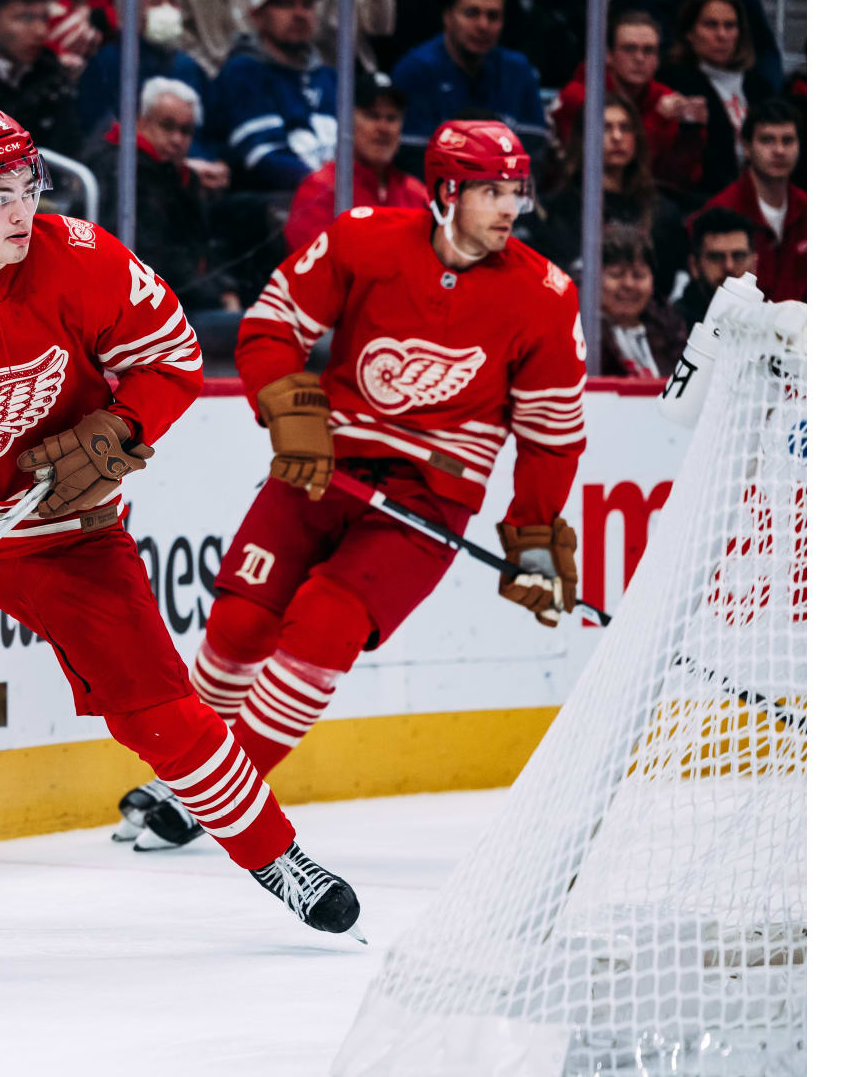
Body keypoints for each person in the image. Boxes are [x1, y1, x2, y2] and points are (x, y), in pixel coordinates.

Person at [0, 105, 362, 953]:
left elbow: (171, 357)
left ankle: (280, 859)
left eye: (29, 186)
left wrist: (121, 428)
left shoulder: (85, 257)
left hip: (70, 532)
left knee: (161, 713)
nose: (23, 209)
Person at [111, 120, 586, 851]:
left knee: (324, 625)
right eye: (491, 191)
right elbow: (272, 326)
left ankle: (218, 798)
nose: (508, 208)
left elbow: (551, 435)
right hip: (323, 466)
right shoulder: (364, 238)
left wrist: (534, 533)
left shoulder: (544, 296)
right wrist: (293, 412)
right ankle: (186, 772)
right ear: (446, 191)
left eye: (515, 192)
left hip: (429, 499)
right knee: (238, 625)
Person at [87, 78, 240, 315]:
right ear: (141, 122)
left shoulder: (181, 176)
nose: (177, 139)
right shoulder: (123, 172)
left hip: (185, 297)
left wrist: (226, 288)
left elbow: (202, 248)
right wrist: (217, 295)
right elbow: (152, 257)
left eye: (186, 131)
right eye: (167, 126)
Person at [519, 92, 687, 286]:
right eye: (605, 128)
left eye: (625, 128)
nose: (617, 137)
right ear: (583, 138)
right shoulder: (557, 210)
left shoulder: (662, 212)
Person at [551, 9, 706, 200]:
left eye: (648, 50)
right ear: (608, 55)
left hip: (645, 200)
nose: (639, 58)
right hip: (580, 199)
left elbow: (676, 178)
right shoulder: (578, 97)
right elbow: (587, 166)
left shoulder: (665, 98)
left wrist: (691, 133)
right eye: (629, 49)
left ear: (658, 59)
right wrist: (657, 121)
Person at [390, 0, 547, 167]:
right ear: (447, 16)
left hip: (505, 181)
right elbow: (411, 161)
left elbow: (533, 155)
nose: (483, 25)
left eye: (493, 16)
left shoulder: (519, 71)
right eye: (472, 13)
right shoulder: (415, 72)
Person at [284, 70, 427, 251]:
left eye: (391, 118)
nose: (383, 128)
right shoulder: (321, 188)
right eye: (372, 116)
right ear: (346, 122)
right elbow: (311, 263)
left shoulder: (415, 192)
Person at [208, 0, 339, 192]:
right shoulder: (244, 71)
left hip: (332, 195)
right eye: (285, 4)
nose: (299, 14)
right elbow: (264, 157)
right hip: (277, 200)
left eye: (307, 5)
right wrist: (331, 187)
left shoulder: (329, 76)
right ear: (258, 16)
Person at [655, 0, 774, 206]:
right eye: (711, 25)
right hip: (701, 202)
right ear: (689, 33)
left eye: (730, 26)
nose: (722, 35)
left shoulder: (760, 88)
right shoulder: (673, 82)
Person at [691, 98, 803, 302]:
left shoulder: (807, 208)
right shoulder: (719, 210)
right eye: (767, 140)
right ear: (746, 146)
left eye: (787, 140)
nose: (779, 150)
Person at [0, 0, 86, 159]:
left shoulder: (52, 77)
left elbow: (70, 152)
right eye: (26, 18)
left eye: (44, 18)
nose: (40, 31)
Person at [76, 0, 210, 142]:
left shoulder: (188, 67)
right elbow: (98, 129)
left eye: (172, 2)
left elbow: (203, 134)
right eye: (156, 3)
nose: (166, 10)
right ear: (134, 11)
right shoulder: (108, 62)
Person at [597, 224, 687, 379]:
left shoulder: (671, 329)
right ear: (593, 278)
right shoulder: (581, 334)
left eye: (638, 275)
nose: (628, 284)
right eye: (616, 274)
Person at [672, 205, 755, 325]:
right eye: (716, 257)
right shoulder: (672, 325)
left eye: (738, 256)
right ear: (694, 265)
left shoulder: (768, 321)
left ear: (754, 264)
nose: (729, 266)